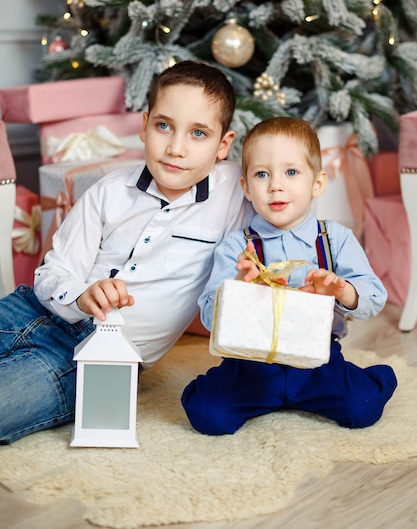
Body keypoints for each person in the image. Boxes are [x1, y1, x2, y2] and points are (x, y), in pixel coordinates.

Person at [0, 60, 254, 444]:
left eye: (198, 133)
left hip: (96, 361)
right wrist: (82, 294)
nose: (176, 148)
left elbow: (287, 176)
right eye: (164, 126)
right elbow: (51, 274)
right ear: (144, 125)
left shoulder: (237, 193)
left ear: (223, 145)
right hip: (31, 310)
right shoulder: (109, 191)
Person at [181, 116, 397, 435]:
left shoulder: (334, 238)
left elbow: (374, 295)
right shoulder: (237, 247)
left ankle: (372, 376)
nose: (276, 185)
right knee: (208, 416)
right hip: (252, 365)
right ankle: (215, 387)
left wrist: (341, 290)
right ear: (246, 187)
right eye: (262, 174)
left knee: (361, 408)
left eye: (291, 172)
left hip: (318, 363)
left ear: (317, 183)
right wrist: (239, 290)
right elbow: (210, 315)